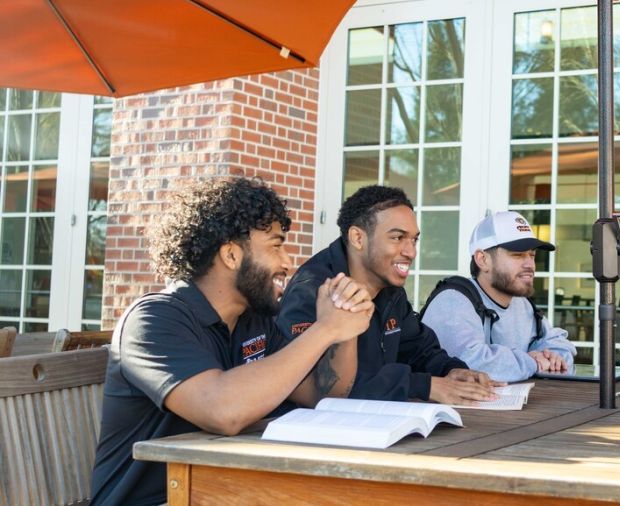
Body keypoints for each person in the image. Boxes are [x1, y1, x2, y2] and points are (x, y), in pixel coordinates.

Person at [91, 178, 374, 506]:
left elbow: (321, 393)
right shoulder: (154, 320)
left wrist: (345, 329)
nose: (286, 262)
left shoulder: (254, 320)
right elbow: (224, 411)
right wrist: (324, 330)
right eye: (275, 245)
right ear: (230, 254)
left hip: (221, 492)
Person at [276, 185, 501, 404]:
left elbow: (417, 347)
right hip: (308, 432)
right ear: (357, 238)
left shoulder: (388, 287)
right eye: (397, 237)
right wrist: (425, 386)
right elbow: (321, 386)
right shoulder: (311, 290)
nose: (410, 252)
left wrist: (452, 369)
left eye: (414, 239)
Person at [420, 211, 575, 382]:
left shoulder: (522, 304)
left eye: (532, 255)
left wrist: (553, 358)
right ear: (483, 259)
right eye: (517, 254)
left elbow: (560, 345)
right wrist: (533, 362)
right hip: (450, 408)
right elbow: (470, 363)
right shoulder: (452, 301)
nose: (530, 264)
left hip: (509, 405)